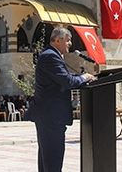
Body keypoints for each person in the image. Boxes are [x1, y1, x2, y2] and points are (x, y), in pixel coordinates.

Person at [30, 26, 96, 172]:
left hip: (49, 116)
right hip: (50, 116)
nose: (70, 44)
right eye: (68, 40)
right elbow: (66, 81)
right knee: (52, 160)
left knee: (48, 159)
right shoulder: (50, 56)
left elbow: (65, 78)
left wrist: (82, 78)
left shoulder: (52, 55)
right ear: (58, 40)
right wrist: (84, 77)